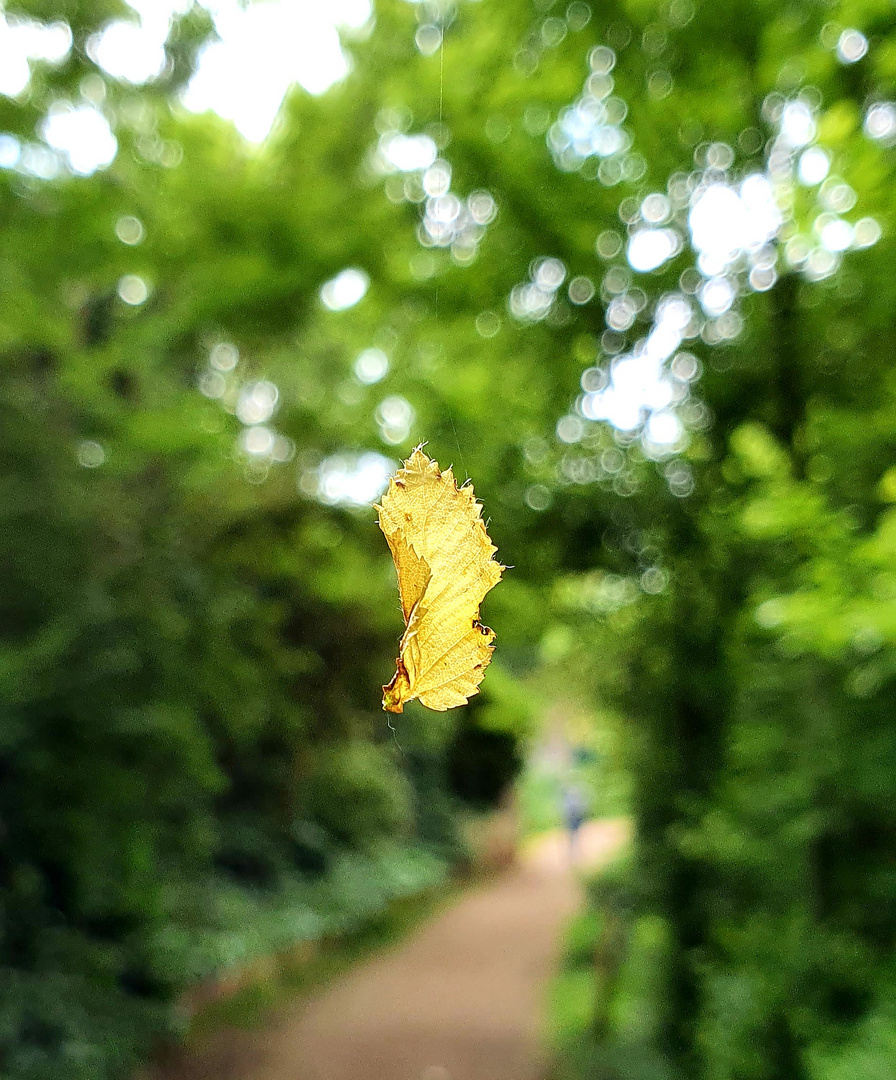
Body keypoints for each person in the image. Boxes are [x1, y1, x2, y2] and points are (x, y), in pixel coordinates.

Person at [562, 785, 587, 862]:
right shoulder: (575, 802)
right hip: (573, 820)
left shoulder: (568, 802)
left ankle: (573, 853)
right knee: (575, 836)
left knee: (573, 836)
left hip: (572, 820)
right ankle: (574, 853)